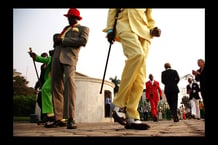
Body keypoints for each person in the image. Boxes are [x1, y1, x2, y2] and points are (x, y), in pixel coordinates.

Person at [103, 8, 161, 130]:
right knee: (136, 55)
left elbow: (149, 17)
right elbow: (112, 11)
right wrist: (109, 29)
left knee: (140, 79)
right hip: (125, 24)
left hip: (145, 33)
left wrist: (153, 29)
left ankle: (132, 115)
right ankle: (118, 104)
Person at [45, 8, 89, 129]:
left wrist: (63, 40)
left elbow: (83, 41)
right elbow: (58, 42)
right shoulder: (65, 29)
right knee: (56, 87)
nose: (68, 19)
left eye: (69, 17)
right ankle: (59, 118)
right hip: (56, 58)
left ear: (76, 18)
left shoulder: (83, 28)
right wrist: (56, 40)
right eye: (67, 17)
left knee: (69, 84)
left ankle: (70, 118)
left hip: (70, 59)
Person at [29, 47, 56, 126]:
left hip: (56, 80)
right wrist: (35, 56)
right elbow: (41, 77)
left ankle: (55, 116)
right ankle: (48, 116)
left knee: (55, 97)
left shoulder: (59, 57)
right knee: (42, 98)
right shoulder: (47, 62)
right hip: (47, 82)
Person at [34, 52, 48, 123]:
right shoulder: (42, 66)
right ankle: (44, 117)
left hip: (48, 85)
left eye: (44, 58)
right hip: (42, 86)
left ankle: (47, 117)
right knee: (39, 101)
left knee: (47, 102)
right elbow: (41, 77)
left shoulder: (51, 64)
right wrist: (36, 87)